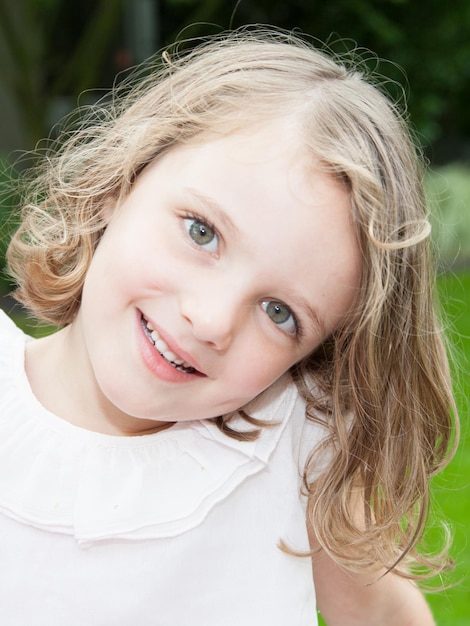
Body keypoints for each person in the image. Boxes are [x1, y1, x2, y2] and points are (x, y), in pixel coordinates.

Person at [0, 27, 457, 625]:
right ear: (123, 180)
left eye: (279, 313)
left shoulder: (297, 444)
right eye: (201, 231)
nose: (211, 320)